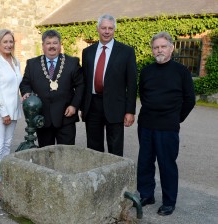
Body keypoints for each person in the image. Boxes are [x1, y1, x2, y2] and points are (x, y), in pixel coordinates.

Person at [136, 31, 196, 216]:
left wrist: (175, 118)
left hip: (168, 128)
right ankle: (146, 195)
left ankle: (169, 202)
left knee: (167, 164)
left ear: (171, 48)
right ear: (152, 51)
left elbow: (189, 100)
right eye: (156, 47)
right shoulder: (146, 71)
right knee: (145, 162)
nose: (159, 50)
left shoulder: (182, 72)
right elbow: (144, 95)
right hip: (146, 125)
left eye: (163, 46)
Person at [81, 14, 138, 157]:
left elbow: (132, 83)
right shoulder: (87, 52)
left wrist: (130, 111)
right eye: (103, 28)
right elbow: (85, 81)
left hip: (116, 106)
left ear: (114, 30)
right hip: (92, 105)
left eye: (110, 28)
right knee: (93, 148)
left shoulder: (126, 52)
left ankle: (115, 177)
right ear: (98, 29)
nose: (107, 31)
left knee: (115, 147)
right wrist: (83, 106)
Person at [19, 30, 84, 147]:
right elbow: (25, 83)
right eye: (48, 43)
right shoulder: (32, 64)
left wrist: (74, 105)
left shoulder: (72, 63)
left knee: (66, 155)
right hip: (42, 119)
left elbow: (81, 85)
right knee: (45, 156)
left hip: (66, 117)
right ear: (43, 46)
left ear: (60, 45)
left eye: (55, 43)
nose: (52, 46)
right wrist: (27, 92)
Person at [0, 29, 22, 201]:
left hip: (14, 110)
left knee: (8, 145)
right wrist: (4, 112)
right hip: (0, 112)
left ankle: (5, 176)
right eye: (5, 42)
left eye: (11, 41)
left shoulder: (16, 61)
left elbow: (16, 87)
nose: (8, 45)